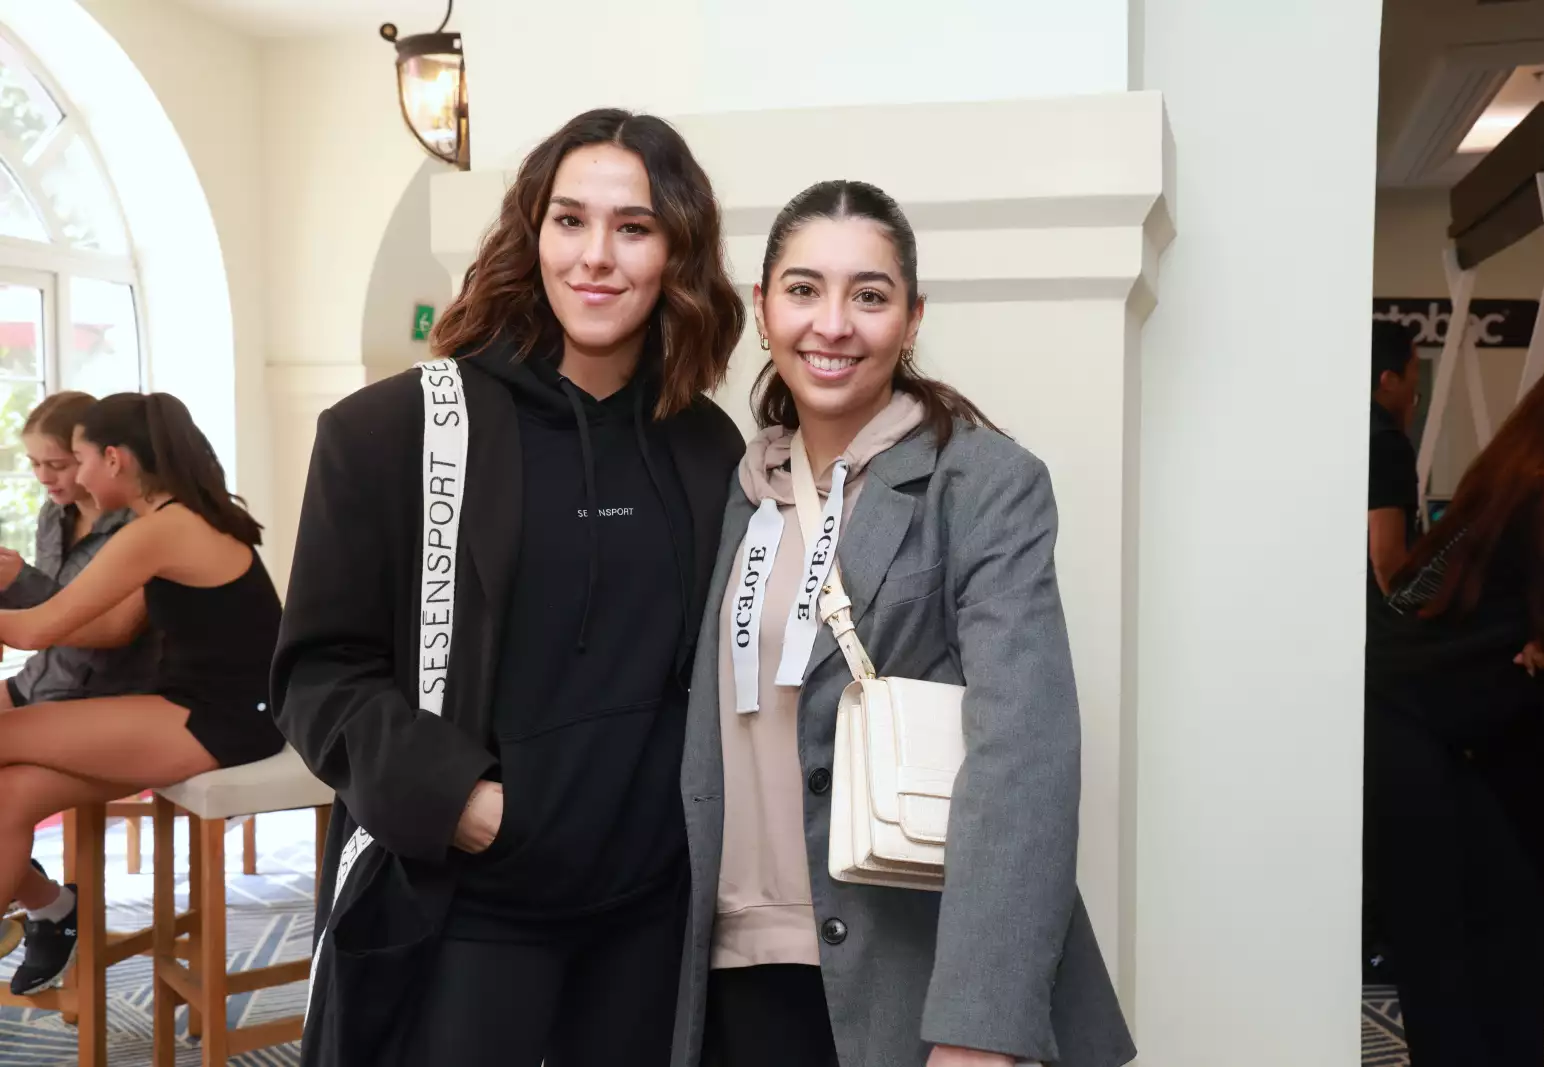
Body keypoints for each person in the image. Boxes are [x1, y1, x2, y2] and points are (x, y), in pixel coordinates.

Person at [272, 108, 746, 1067]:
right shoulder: (391, 431)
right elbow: (316, 675)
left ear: (676, 256)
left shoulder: (707, 447)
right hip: (467, 905)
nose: (597, 257)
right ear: (531, 234)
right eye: (570, 220)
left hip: (647, 918)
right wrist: (463, 803)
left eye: (636, 227)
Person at [673, 180, 1133, 1067]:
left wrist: (979, 1028)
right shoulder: (730, 489)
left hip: (908, 972)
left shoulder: (983, 483)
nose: (833, 323)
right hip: (726, 971)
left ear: (911, 317)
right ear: (764, 309)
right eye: (803, 289)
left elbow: (1024, 759)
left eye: (869, 295)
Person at [1364, 339, 1544, 1066]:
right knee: (1462, 942)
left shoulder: (1503, 483)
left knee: (1493, 926)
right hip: (1417, 735)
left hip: (1417, 721)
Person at [0, 391, 284, 994]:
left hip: (221, 718)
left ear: (113, 459)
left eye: (76, 460)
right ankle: (54, 909)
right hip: (195, 707)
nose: (73, 477)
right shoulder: (176, 520)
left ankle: (47, 910)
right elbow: (104, 627)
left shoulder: (159, 531)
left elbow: (33, 628)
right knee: (12, 793)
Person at [0, 391, 158, 989]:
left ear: (100, 456)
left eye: (58, 465)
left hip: (108, 696)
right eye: (35, 466)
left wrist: (24, 584)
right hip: (47, 679)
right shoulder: (54, 515)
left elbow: (95, 625)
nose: (45, 478)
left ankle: (38, 900)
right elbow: (51, 621)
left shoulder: (140, 524)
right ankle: (46, 901)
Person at [1368, 319, 1422, 594]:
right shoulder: (1386, 442)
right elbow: (1387, 560)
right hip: (1378, 624)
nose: (1416, 382)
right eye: (1414, 369)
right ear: (1389, 380)